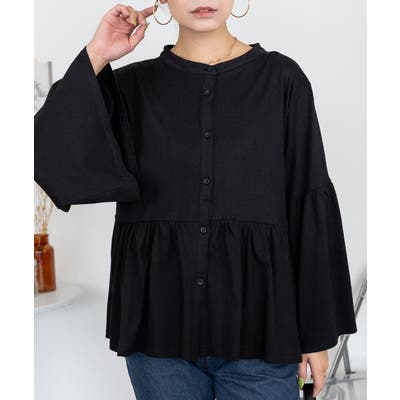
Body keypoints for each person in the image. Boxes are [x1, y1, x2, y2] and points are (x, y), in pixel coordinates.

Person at [34, 1, 358, 399]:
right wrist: (97, 54)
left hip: (262, 336)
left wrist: (316, 335)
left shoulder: (282, 80)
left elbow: (307, 198)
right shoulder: (132, 86)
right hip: (158, 335)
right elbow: (48, 154)